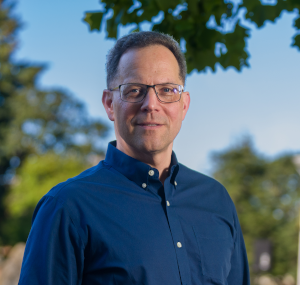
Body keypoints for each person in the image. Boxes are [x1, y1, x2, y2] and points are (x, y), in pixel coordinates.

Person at [18, 31, 250, 285]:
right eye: (134, 90)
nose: (151, 104)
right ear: (109, 104)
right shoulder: (66, 207)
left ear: (183, 105)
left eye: (167, 90)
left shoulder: (216, 200)